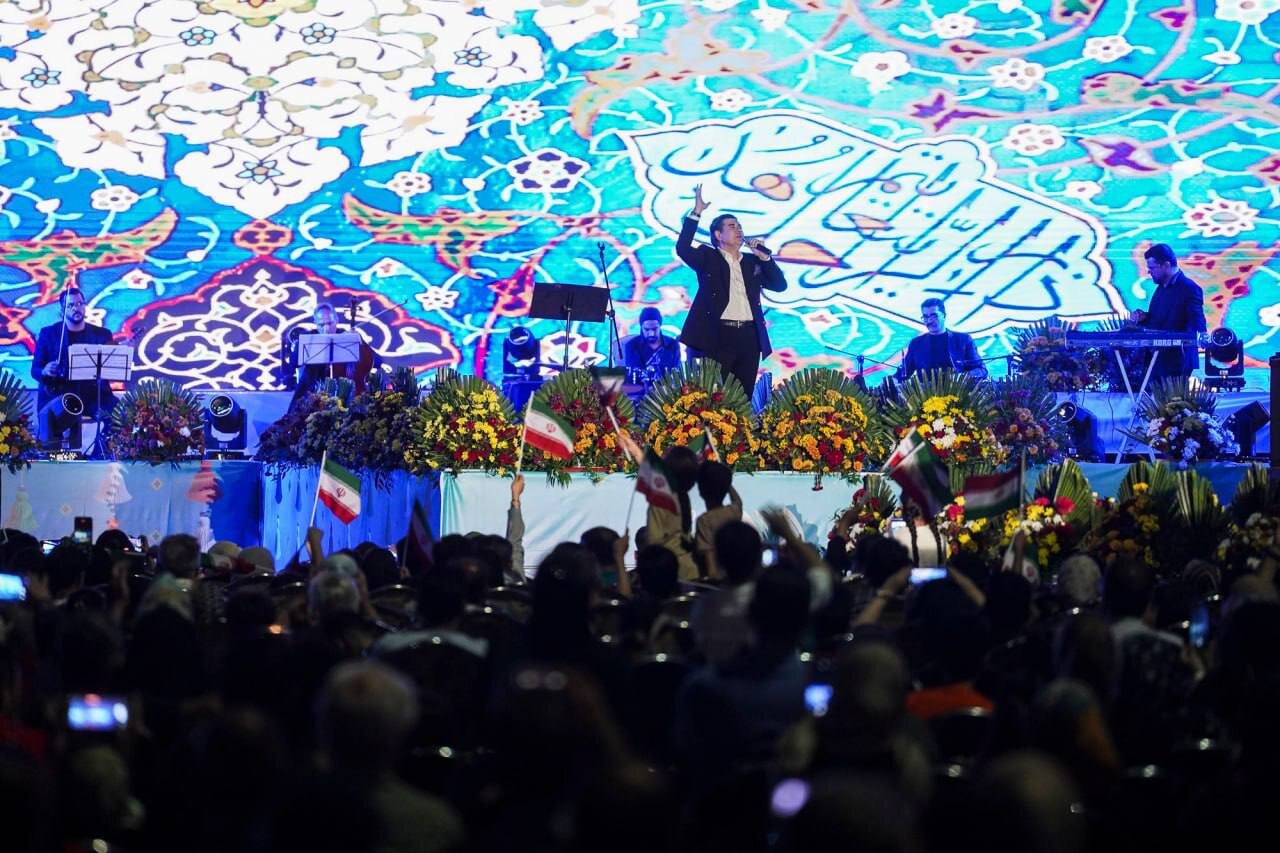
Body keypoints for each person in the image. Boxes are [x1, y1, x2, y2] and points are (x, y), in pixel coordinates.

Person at [676, 184, 787, 393]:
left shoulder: (752, 262)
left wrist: (765, 259)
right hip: (717, 335)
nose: (739, 230)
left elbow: (779, 285)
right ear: (718, 235)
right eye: (732, 226)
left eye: (740, 226)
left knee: (743, 395)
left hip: (748, 336)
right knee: (715, 395)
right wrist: (696, 213)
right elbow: (682, 248)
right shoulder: (708, 257)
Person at [31, 287, 118, 445]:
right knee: (53, 424)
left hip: (92, 396)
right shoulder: (48, 334)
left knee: (119, 413)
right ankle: (54, 452)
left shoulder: (102, 335)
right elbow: (35, 370)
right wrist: (45, 370)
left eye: (79, 304)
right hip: (59, 395)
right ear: (62, 310)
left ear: (84, 306)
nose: (76, 308)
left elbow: (111, 368)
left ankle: (99, 453)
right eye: (70, 305)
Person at [1131, 243, 1206, 382]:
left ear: (1166, 265)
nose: (1149, 272)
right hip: (1157, 359)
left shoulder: (1190, 289)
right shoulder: (1161, 288)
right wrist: (1143, 318)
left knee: (1171, 397)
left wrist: (1203, 337)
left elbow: (1197, 320)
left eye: (1152, 268)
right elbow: (1158, 320)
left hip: (1177, 362)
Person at [291, 302, 378, 406]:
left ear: (336, 320)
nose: (326, 329)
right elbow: (293, 363)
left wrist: (360, 341)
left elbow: (377, 361)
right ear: (315, 323)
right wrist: (301, 344)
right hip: (312, 390)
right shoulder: (308, 337)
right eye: (321, 325)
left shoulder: (347, 335)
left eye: (330, 323)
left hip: (342, 392)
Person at [898, 297, 987, 380]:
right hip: (925, 391)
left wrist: (961, 378)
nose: (929, 321)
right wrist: (893, 381)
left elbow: (981, 370)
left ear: (944, 315)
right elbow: (904, 373)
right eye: (925, 317)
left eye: (934, 316)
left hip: (956, 390)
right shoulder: (916, 343)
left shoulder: (962, 340)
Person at [623, 307, 681, 382]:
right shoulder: (631, 346)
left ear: (660, 326)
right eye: (647, 329)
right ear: (641, 327)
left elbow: (677, 374)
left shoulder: (673, 345)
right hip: (640, 388)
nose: (651, 333)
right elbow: (631, 376)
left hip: (667, 388)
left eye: (655, 329)